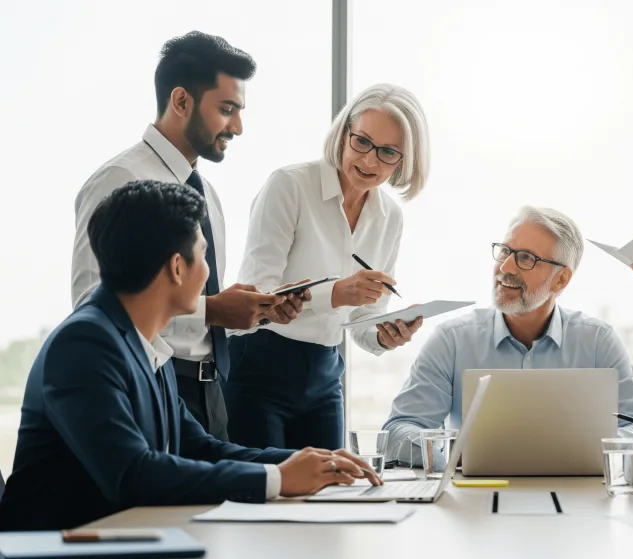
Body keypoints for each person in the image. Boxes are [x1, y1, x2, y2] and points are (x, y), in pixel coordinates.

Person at [0, 181, 380, 531]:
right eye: (203, 254)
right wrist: (278, 480)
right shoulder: (84, 345)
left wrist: (313, 461)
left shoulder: (144, 342)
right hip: (59, 548)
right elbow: (132, 475)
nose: (210, 272)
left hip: (123, 537)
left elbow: (200, 448)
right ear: (177, 268)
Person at [70, 31, 306, 442]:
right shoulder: (121, 180)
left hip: (212, 392)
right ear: (181, 101)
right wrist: (212, 310)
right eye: (227, 109)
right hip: (154, 386)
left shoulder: (206, 193)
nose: (239, 127)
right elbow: (93, 305)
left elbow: (194, 304)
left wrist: (255, 310)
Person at [224, 84, 430, 450]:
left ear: (404, 160)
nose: (369, 161)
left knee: (327, 497)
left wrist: (384, 334)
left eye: (387, 153)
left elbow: (365, 317)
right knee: (264, 499)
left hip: (324, 375)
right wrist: (336, 294)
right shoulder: (289, 186)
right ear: (344, 133)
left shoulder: (389, 218)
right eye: (362, 142)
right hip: (260, 366)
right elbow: (257, 295)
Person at [383, 206, 633, 462]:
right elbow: (398, 432)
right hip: (474, 504)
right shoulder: (452, 340)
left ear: (561, 279)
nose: (505, 268)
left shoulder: (597, 341)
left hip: (578, 502)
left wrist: (590, 446)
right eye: (505, 251)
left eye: (526, 258)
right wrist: (457, 450)